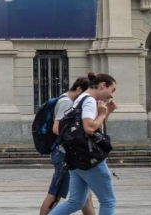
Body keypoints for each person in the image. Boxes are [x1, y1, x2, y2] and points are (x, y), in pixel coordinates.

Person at [49, 73, 118, 215]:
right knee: (108, 201)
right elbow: (89, 128)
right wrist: (103, 114)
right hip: (89, 158)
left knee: (76, 202)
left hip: (75, 157)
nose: (111, 95)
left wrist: (106, 112)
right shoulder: (89, 101)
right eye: (112, 90)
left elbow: (94, 128)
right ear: (103, 85)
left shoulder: (80, 99)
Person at [39, 76, 95, 215]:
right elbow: (57, 128)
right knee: (55, 194)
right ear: (79, 89)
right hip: (64, 154)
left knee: (85, 197)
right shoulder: (66, 102)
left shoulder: (71, 101)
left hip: (71, 154)